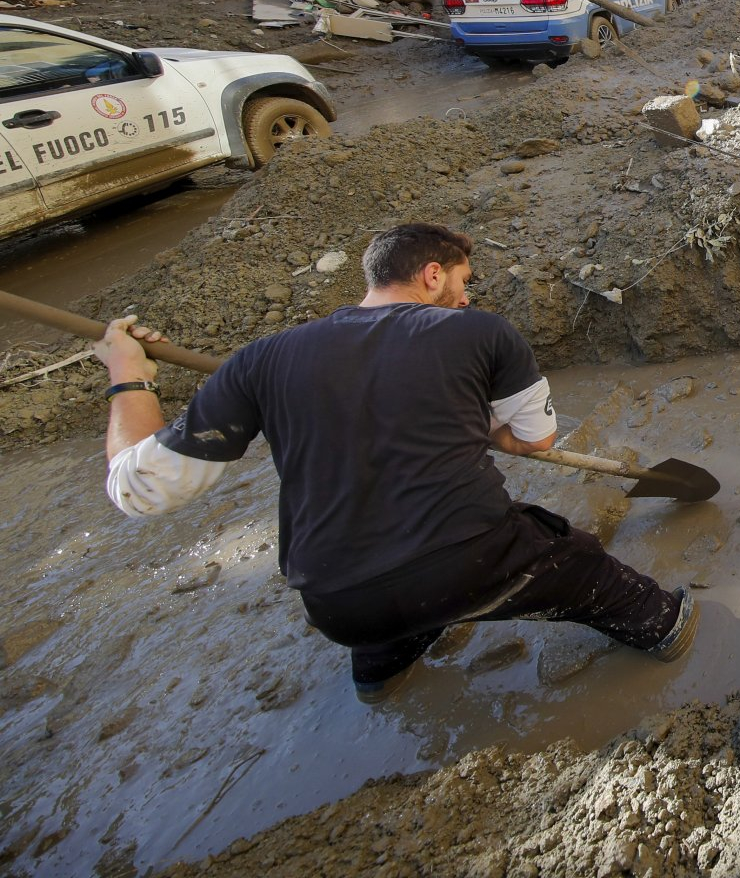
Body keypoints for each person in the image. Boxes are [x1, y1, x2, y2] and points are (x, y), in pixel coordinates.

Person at [93, 223, 698, 703]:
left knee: (386, 601)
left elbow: (139, 488)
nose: (468, 295)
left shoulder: (260, 361)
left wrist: (127, 378)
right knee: (579, 560)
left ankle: (380, 676)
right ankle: (663, 626)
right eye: (464, 280)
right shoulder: (482, 334)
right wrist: (486, 428)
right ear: (432, 274)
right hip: (474, 563)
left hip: (337, 603)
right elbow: (536, 440)